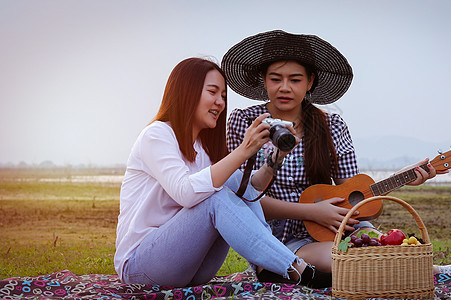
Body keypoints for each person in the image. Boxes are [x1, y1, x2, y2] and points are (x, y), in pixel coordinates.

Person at [222, 30, 451, 280]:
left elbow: (353, 191)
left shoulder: (332, 125)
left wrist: (402, 177)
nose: (285, 88)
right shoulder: (246, 121)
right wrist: (312, 212)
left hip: (336, 226)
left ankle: (432, 269)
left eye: (295, 79)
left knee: (377, 247)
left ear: (310, 81)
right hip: (279, 239)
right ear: (263, 79)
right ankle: (435, 271)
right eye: (275, 78)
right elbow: (242, 197)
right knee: (350, 260)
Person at [114, 57, 331, 288]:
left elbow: (248, 189)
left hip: (192, 270)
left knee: (234, 184)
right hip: (142, 266)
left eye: (224, 96)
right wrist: (244, 150)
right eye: (213, 92)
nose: (220, 102)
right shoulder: (157, 135)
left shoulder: (203, 148)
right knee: (216, 198)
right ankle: (294, 268)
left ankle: (273, 265)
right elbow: (186, 193)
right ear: (187, 92)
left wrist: (275, 159)